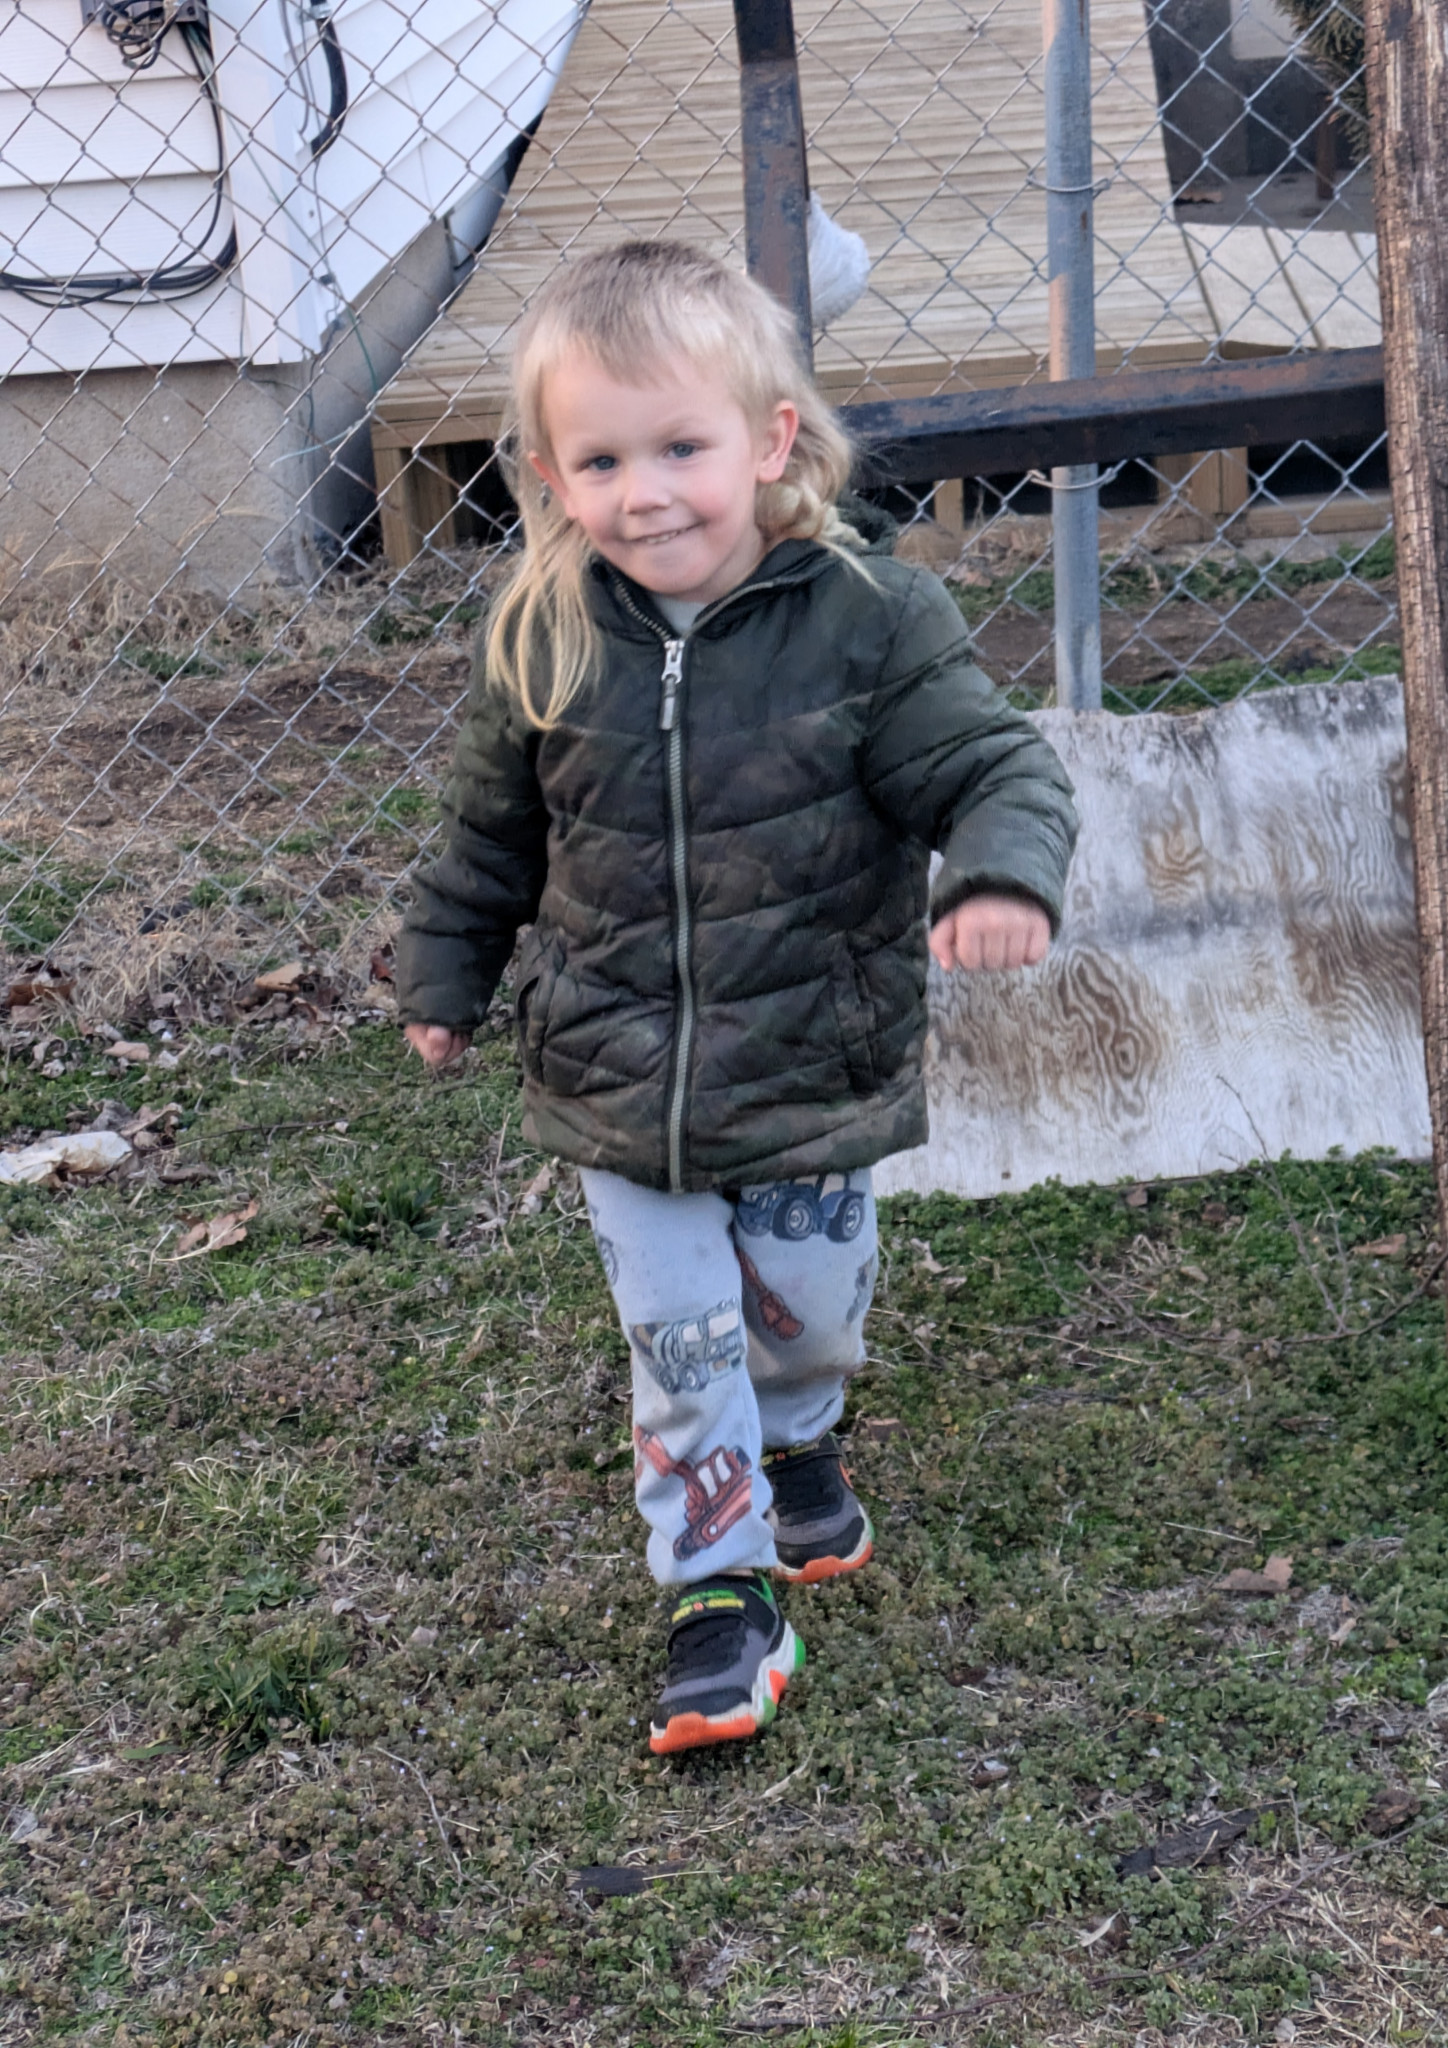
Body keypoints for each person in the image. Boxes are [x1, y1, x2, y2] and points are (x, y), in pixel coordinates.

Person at [396, 240, 1078, 1756]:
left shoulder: (870, 621)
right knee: (684, 1340)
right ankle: (718, 1590)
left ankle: (803, 1439)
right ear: (549, 475)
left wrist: (997, 875)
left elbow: (995, 768)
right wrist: (444, 974)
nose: (645, 496)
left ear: (770, 441)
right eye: (601, 462)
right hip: (615, 1072)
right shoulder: (542, 636)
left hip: (810, 1058)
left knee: (802, 1317)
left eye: (680, 449)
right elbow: (486, 841)